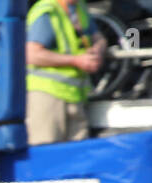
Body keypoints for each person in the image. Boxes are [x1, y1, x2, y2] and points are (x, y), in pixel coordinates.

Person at [25, 0, 105, 145]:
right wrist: (76, 61)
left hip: (74, 96)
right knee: (46, 152)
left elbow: (99, 38)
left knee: (76, 157)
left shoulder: (79, 8)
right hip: (47, 96)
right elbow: (31, 54)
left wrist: (98, 51)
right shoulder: (47, 11)